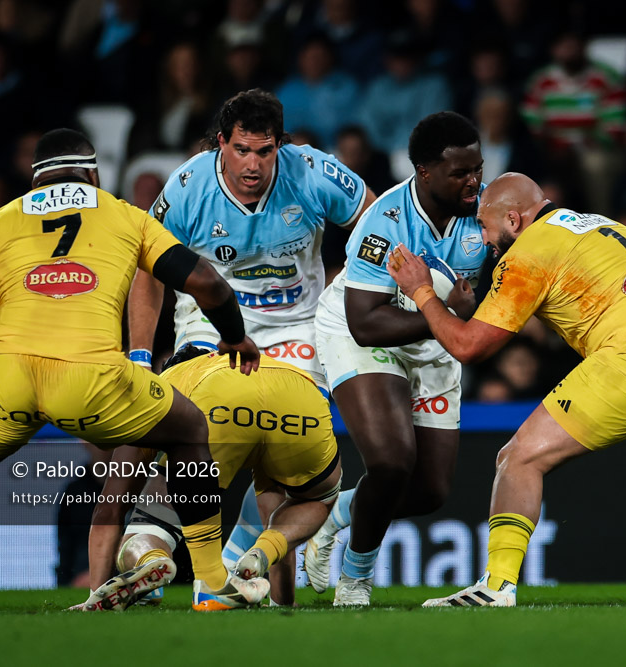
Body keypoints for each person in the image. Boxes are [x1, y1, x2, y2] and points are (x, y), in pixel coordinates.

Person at [0, 128, 268, 612]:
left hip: (9, 380)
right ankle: (211, 580)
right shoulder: (125, 215)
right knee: (189, 429)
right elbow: (210, 286)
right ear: (95, 173)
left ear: (35, 181)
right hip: (91, 381)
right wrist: (232, 334)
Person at [387, 172, 626, 607]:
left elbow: (468, 346)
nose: (483, 237)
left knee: (518, 460)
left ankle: (496, 587)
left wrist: (421, 291)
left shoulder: (529, 252)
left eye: (484, 224)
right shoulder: (604, 225)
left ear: (514, 219)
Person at [125, 89, 375, 603]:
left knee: (284, 469)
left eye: (265, 152)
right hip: (209, 333)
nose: (253, 165)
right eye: (242, 150)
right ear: (222, 142)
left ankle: (218, 572)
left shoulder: (313, 172)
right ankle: (183, 563)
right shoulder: (189, 185)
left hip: (297, 337)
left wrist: (345, 295)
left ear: (282, 146)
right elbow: (146, 272)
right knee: (190, 456)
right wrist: (140, 356)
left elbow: (378, 223)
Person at [307, 111, 487, 606]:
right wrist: (445, 311)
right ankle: (355, 580)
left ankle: (333, 515)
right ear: (424, 172)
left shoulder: (485, 209)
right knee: (391, 462)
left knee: (430, 491)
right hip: (364, 334)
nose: (474, 181)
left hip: (434, 337)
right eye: (460, 173)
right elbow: (365, 320)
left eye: (477, 168)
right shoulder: (384, 223)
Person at [86, 344, 342, 610]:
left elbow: (110, 507)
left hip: (217, 401)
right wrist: (284, 600)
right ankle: (260, 553)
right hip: (302, 396)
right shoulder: (250, 364)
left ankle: (150, 559)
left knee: (153, 511)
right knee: (318, 498)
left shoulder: (165, 384)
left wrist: (94, 592)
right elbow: (272, 509)